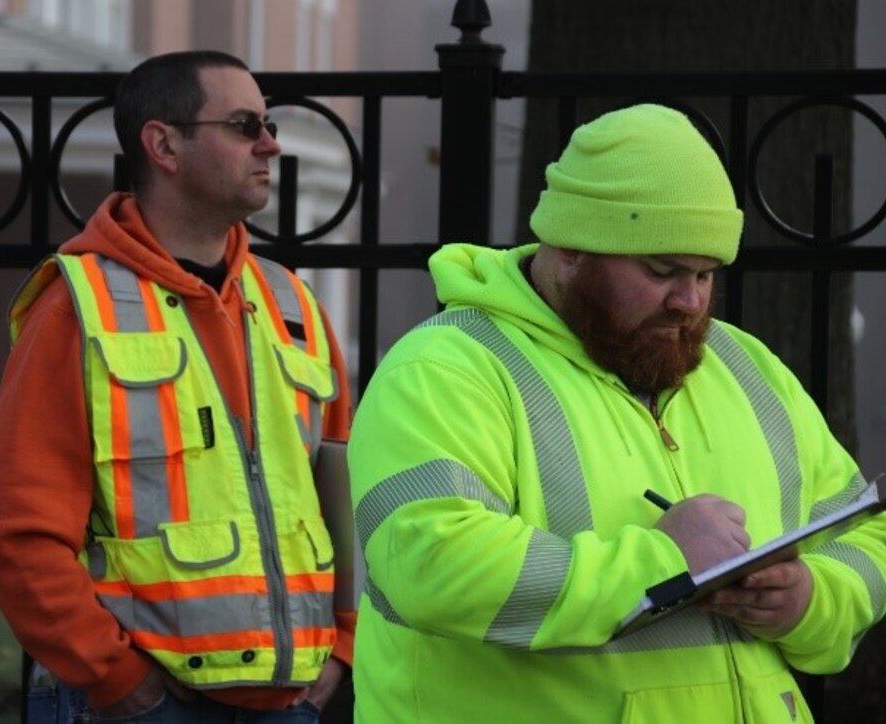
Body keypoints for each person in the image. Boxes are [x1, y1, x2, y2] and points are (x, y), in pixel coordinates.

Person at [346, 103, 886, 722]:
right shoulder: (445, 369)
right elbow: (431, 565)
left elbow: (862, 532)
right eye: (663, 271)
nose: (690, 301)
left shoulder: (746, 367)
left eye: (708, 275)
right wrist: (664, 564)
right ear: (572, 247)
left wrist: (810, 600)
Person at [0, 50, 354, 723]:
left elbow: (349, 498)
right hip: (139, 705)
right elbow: (15, 528)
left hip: (290, 699)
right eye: (243, 125)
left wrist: (343, 647)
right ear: (164, 144)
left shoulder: (291, 305)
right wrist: (119, 681)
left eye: (268, 122)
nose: (271, 143)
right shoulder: (77, 306)